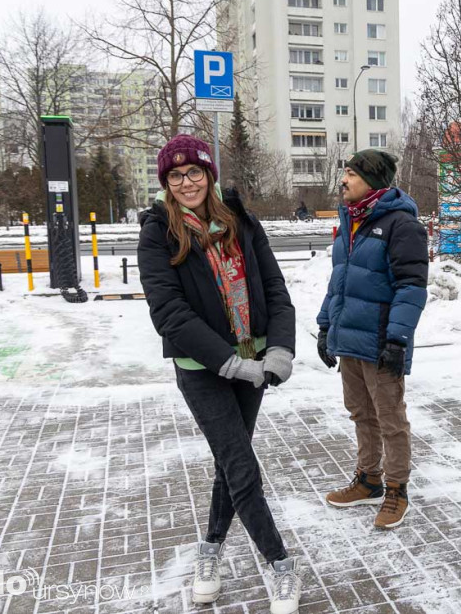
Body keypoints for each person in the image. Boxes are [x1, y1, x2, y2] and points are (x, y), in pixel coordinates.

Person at [137, 134, 303, 614]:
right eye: (175, 175)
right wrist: (226, 361)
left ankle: (210, 550)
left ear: (210, 174)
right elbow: (168, 311)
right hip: (202, 367)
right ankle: (279, 565)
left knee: (229, 465)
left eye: (194, 172)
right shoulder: (158, 231)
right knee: (240, 464)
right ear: (166, 183)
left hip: (254, 364)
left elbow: (274, 287)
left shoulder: (241, 222)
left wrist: (281, 349)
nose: (186, 182)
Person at [316, 149, 428, 529]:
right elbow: (339, 282)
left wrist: (397, 339)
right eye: (344, 172)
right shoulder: (351, 221)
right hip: (350, 338)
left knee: (390, 419)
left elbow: (412, 287)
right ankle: (368, 480)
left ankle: (397, 489)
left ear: (372, 179)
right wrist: (326, 325)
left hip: (381, 341)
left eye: (350, 173)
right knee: (361, 414)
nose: (343, 180)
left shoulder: (401, 225)